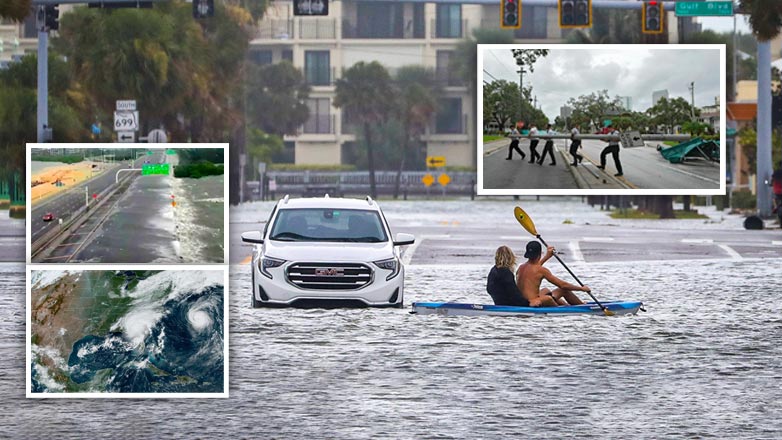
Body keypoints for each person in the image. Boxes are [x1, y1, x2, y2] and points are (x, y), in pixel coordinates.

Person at [515, 241, 588, 307]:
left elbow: (534, 269)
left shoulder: (521, 267)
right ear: (540, 254)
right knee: (563, 290)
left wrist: (547, 256)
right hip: (533, 303)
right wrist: (582, 289)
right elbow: (563, 285)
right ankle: (580, 306)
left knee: (545, 290)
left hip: (523, 301)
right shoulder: (541, 270)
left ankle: (567, 305)